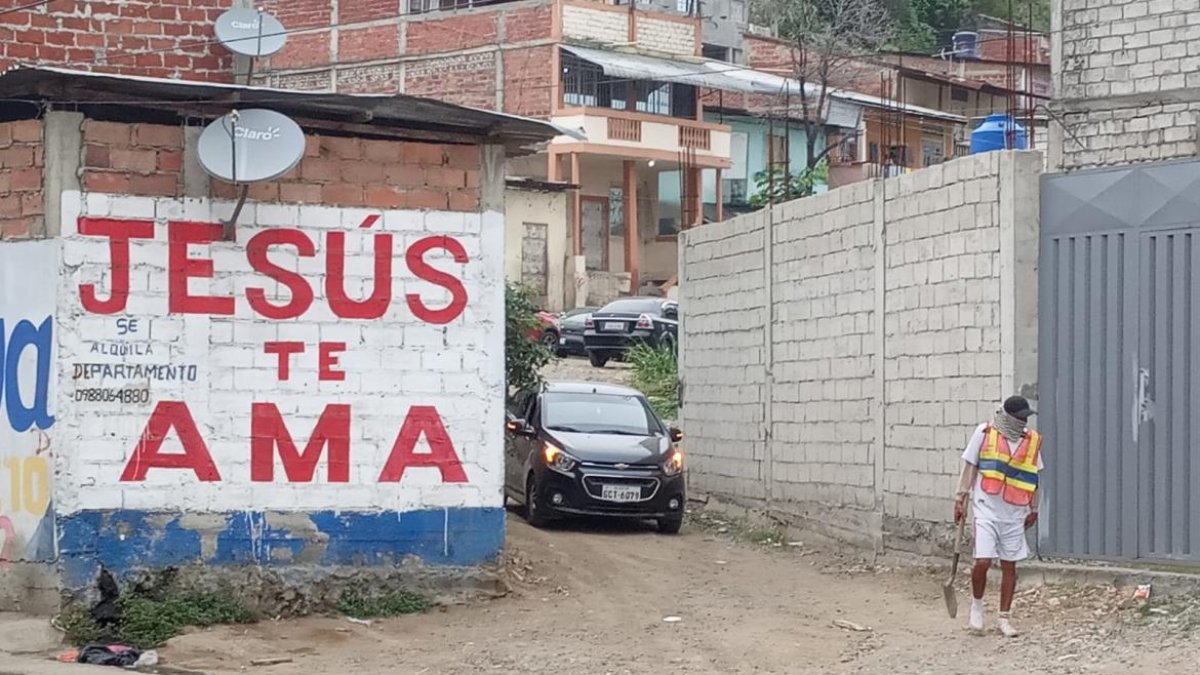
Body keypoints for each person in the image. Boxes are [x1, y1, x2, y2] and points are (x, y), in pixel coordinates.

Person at [953, 395, 1043, 638]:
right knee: (982, 561)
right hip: (986, 508)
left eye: (1026, 417)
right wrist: (960, 498)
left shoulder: (1031, 440)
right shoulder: (985, 433)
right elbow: (970, 467)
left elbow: (1034, 477)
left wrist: (1034, 509)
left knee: (1009, 566)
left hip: (1014, 512)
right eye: (1020, 417)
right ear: (1008, 416)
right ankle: (977, 608)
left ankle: (1004, 618)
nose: (1024, 421)